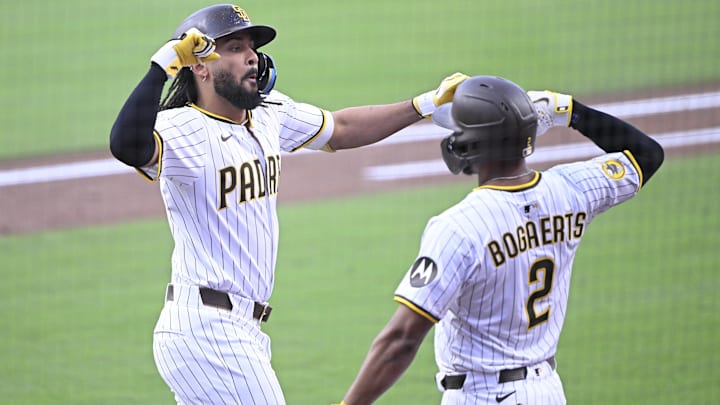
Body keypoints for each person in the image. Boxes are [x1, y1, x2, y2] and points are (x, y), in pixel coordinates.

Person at [108, 4, 468, 404]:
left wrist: (424, 104)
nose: (251, 56)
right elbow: (126, 145)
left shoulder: (268, 113)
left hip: (242, 331)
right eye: (234, 46)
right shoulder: (183, 129)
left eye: (252, 46)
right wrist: (165, 62)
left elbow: (341, 129)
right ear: (200, 66)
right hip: (206, 330)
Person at [332, 75, 664, 405]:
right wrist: (570, 111)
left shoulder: (458, 227)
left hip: (483, 395)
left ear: (471, 144)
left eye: (458, 130)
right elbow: (647, 155)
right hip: (547, 391)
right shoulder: (572, 190)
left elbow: (401, 340)